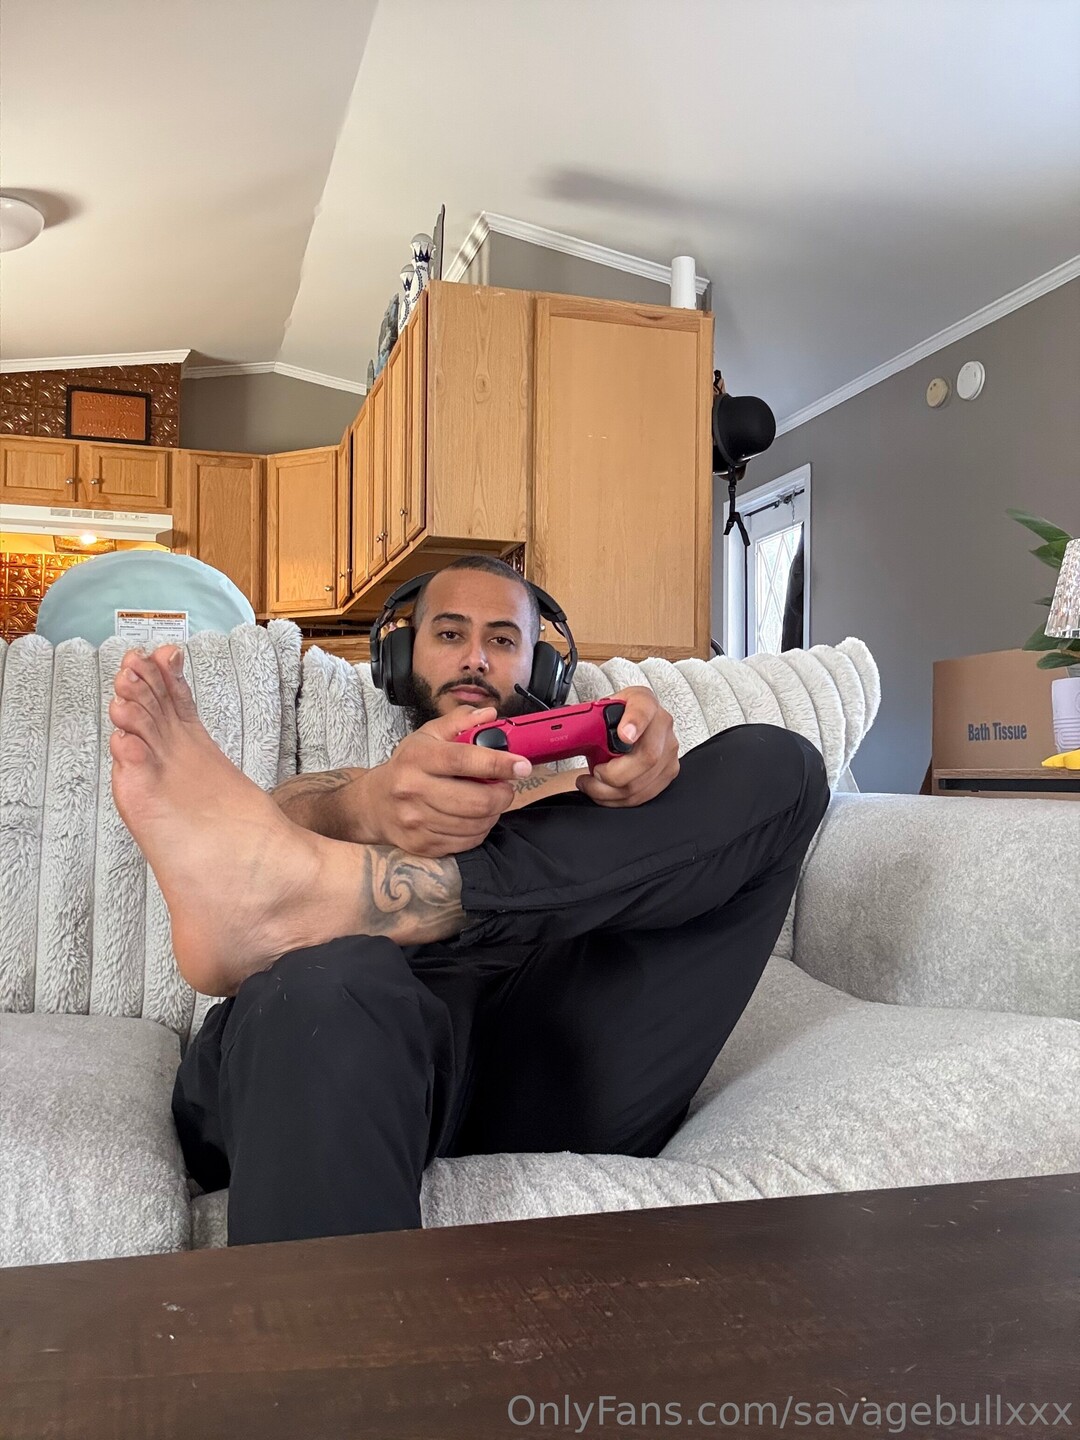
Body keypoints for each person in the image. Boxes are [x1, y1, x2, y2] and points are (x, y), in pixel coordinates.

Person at [108, 554, 830, 1247]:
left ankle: (357, 894)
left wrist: (651, 774)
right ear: (401, 657)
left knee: (782, 765)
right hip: (345, 1039)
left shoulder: (585, 790)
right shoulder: (353, 785)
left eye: (503, 640)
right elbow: (265, 832)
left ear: (541, 670)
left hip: (555, 1062)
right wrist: (368, 808)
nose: (476, 658)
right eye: (450, 633)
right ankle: (333, 905)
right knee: (326, 980)